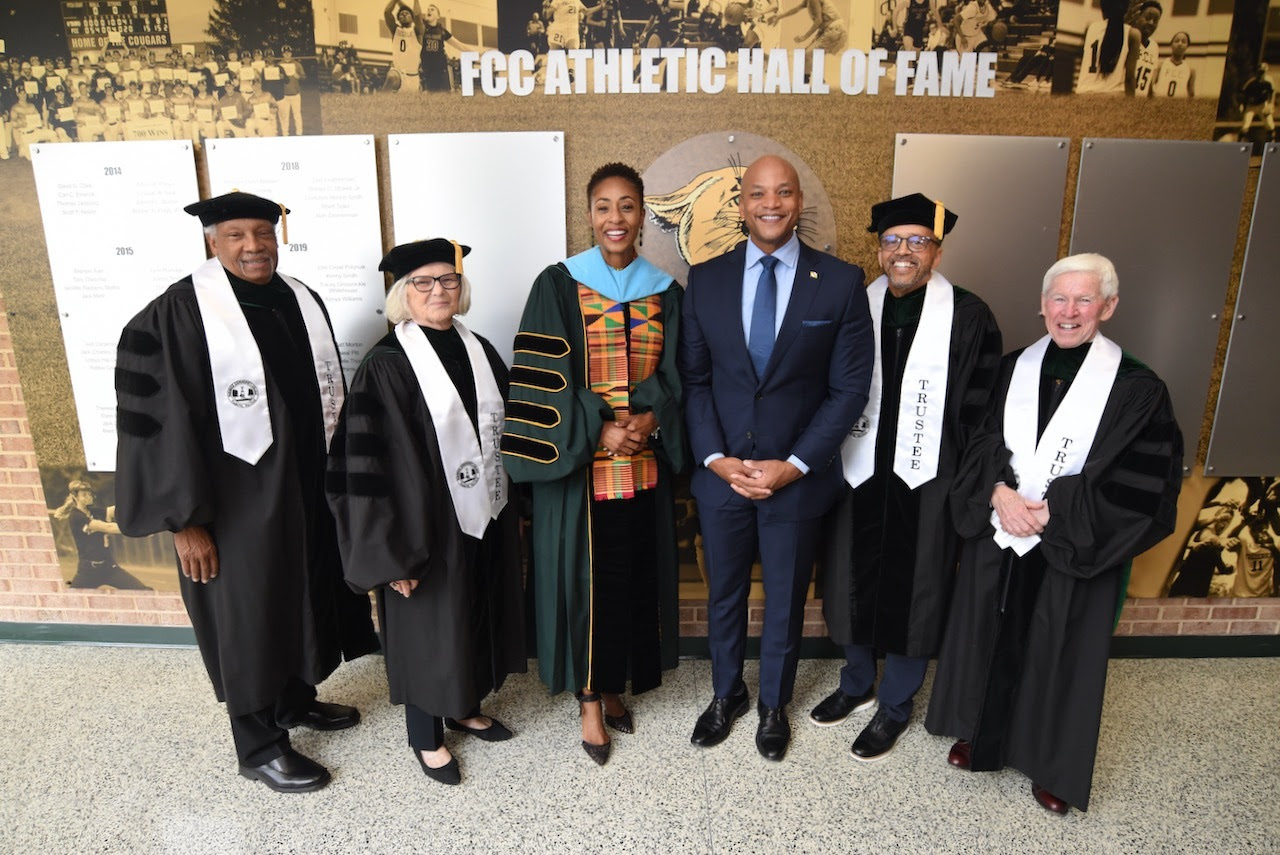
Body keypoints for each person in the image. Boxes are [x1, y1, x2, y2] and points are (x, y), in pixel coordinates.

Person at [113, 192, 379, 793]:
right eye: (236, 236)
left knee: (300, 594)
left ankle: (293, 701)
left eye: (263, 233)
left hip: (304, 492)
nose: (254, 246)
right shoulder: (175, 314)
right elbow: (153, 427)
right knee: (249, 616)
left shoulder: (299, 299)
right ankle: (258, 746)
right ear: (212, 241)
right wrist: (184, 522)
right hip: (231, 507)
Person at [925, 253, 1183, 814]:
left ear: (1108, 307)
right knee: (987, 628)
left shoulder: (1137, 388)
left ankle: (1051, 764)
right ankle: (980, 731)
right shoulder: (1012, 368)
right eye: (1059, 299)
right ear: (1043, 305)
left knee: (1060, 643)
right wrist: (996, 490)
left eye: (1084, 300)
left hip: (1073, 538)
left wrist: (1056, 512)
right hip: (1002, 527)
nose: (1069, 311)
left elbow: (1143, 483)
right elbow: (976, 440)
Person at [679, 154, 874, 761]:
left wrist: (795, 464)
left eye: (783, 192)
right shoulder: (704, 280)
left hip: (797, 480)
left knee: (786, 600)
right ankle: (726, 694)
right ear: (741, 205)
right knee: (725, 595)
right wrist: (715, 457)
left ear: (798, 202)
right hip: (723, 478)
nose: (771, 204)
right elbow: (696, 381)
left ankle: (772, 706)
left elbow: (849, 389)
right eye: (758, 193)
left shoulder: (840, 282)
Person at [503, 163, 688, 766]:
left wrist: (651, 419)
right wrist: (599, 428)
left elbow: (681, 372)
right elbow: (540, 378)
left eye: (627, 206)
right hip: (579, 471)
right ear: (589, 215)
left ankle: (613, 683)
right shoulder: (558, 285)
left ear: (641, 215)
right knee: (587, 583)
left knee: (629, 577)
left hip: (644, 467)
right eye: (604, 206)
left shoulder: (665, 291)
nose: (616, 218)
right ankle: (588, 698)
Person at [328, 239, 525, 785]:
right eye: (423, 282)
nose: (438, 290)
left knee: (473, 614)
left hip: (483, 515)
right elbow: (366, 467)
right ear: (402, 294)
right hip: (420, 528)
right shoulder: (386, 365)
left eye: (448, 279)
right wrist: (390, 554)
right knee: (427, 625)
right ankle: (425, 735)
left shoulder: (479, 349)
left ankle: (462, 707)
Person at [816, 194, 1001, 761]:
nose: (904, 251)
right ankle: (856, 683)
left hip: (929, 478)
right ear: (879, 250)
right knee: (850, 577)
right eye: (893, 241)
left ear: (937, 253)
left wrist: (961, 480)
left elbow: (982, 409)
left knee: (916, 588)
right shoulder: (856, 304)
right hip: (857, 469)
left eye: (918, 241)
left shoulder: (968, 315)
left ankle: (895, 704)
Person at [52, 480, 152, 590]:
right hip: (88, 571)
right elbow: (108, 527)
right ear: (75, 497)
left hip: (109, 568)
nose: (88, 497)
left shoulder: (93, 511)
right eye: (84, 495)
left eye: (89, 494)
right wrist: (137, 529)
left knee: (143, 591)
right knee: (73, 598)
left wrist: (137, 502)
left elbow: (114, 510)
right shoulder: (76, 517)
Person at [1075, 0, 1141, 95]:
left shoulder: (1091, 28)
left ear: (1103, 8)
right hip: (1110, 96)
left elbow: (1112, 32)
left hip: (1083, 93)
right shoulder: (1134, 34)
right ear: (1126, 9)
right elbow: (1129, 77)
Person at [384, 1, 425, 93]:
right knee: (391, 77)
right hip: (398, 73)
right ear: (398, 19)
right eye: (401, 14)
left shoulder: (418, 31)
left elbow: (417, 15)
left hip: (413, 77)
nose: (404, 15)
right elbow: (387, 13)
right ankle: (379, 100)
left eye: (407, 13)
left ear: (412, 18)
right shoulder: (395, 30)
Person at [1130, 0, 1162, 97]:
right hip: (1125, 96)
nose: (1151, 23)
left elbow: (1150, 81)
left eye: (1155, 20)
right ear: (1138, 17)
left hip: (1142, 100)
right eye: (1147, 18)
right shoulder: (1128, 38)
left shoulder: (1154, 47)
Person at [1152, 31, 1194, 98]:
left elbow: (1191, 94)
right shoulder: (1160, 65)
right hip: (1160, 101)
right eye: (1176, 41)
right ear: (1171, 44)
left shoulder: (1190, 70)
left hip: (1179, 103)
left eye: (1183, 42)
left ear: (1187, 46)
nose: (1180, 44)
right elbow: (1151, 86)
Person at [1240, 63, 1275, 137]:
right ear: (1256, 72)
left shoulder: (1269, 82)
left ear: (1266, 72)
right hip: (1251, 106)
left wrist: (1270, 104)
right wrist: (1242, 104)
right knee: (1245, 126)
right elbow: (1243, 94)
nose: (1261, 74)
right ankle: (1241, 142)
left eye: (1262, 72)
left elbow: (1272, 93)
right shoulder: (1251, 82)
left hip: (1263, 105)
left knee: (1270, 126)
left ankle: (1271, 141)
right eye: (1259, 72)